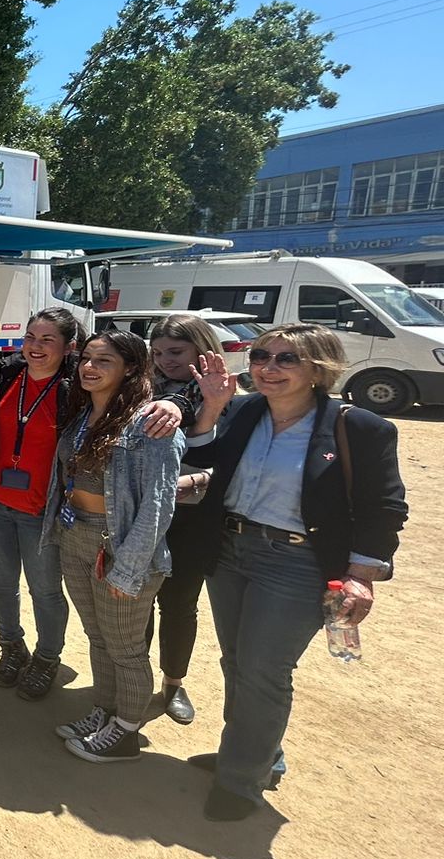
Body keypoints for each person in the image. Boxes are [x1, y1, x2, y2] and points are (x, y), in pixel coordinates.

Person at [181, 326, 407, 820]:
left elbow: (384, 506)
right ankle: (257, 754)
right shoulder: (242, 412)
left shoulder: (358, 427)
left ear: (318, 368)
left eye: (287, 359)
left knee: (262, 670)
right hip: (230, 550)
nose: (268, 367)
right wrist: (213, 408)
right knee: (237, 661)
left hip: (296, 563)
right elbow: (199, 459)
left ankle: (240, 780)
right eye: (261, 355)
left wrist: (361, 574)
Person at [47, 331, 185, 764]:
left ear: (130, 368)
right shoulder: (83, 415)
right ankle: (105, 711)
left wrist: (129, 568)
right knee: (98, 637)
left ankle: (126, 731)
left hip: (120, 546)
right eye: (86, 358)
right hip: (76, 536)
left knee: (125, 648)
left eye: (104, 360)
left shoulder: (150, 425)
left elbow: (157, 506)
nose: (89, 367)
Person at [0, 307, 82, 700]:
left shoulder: (75, 390)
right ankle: (12, 647)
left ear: (68, 347)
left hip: (41, 511)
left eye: (47, 340)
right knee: (1, 583)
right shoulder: (6, 375)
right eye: (30, 337)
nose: (35, 347)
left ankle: (47, 658)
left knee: (45, 590)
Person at [144, 314, 227, 724]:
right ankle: (133, 676)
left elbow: (227, 463)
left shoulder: (228, 396)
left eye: (176, 351)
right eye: (158, 352)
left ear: (202, 348)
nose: (166, 361)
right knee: (135, 603)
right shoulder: (144, 391)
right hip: (143, 514)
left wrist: (196, 479)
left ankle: (174, 683)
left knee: (179, 606)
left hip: (191, 520)